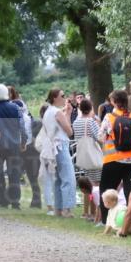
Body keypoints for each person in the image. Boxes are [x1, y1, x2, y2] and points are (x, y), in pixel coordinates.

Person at [97, 89, 131, 224]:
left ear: (113, 102)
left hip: (114, 159)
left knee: (107, 189)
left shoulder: (109, 117)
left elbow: (100, 137)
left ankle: (106, 219)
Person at [0, 83, 27, 210]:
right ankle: (15, 202)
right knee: (14, 173)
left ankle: (2, 200)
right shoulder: (15, 108)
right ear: (6, 94)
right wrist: (23, 142)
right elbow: (22, 127)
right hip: (13, 145)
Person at [42, 88, 76, 217]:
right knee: (68, 177)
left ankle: (58, 209)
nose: (64, 97)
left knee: (58, 179)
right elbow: (69, 131)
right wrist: (67, 114)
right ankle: (67, 209)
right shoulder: (57, 112)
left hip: (52, 146)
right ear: (55, 97)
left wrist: (67, 112)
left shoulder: (48, 111)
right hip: (60, 145)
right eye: (62, 95)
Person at [72, 97, 102, 186]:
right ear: (91, 108)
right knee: (97, 182)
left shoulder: (76, 122)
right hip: (93, 155)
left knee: (89, 181)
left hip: (83, 155)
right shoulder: (91, 121)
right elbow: (100, 138)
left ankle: (89, 199)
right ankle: (96, 199)